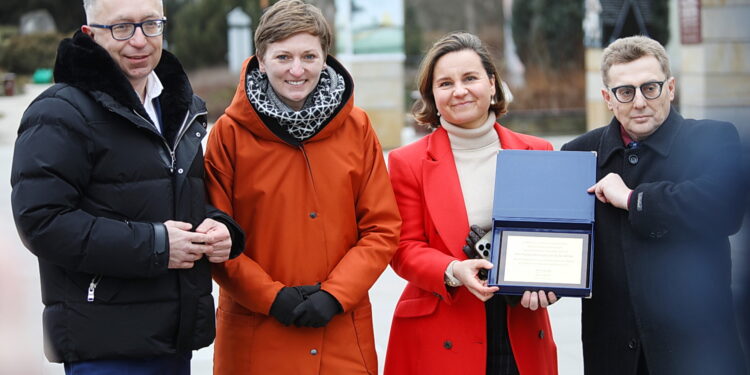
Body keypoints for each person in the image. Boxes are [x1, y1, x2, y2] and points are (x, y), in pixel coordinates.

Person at [10, 0, 245, 373]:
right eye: (122, 28)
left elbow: (184, 200)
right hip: (105, 346)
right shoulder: (58, 112)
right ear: (90, 35)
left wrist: (221, 228)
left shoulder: (179, 108)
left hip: (174, 338)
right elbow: (42, 222)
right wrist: (157, 245)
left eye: (151, 24)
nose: (140, 40)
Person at [202, 0, 401, 373]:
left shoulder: (357, 128)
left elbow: (382, 228)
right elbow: (215, 236)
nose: (297, 70)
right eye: (283, 57)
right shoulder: (228, 135)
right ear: (260, 60)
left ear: (325, 57)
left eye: (309, 56)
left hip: (341, 333)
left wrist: (336, 294)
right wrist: (271, 297)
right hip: (255, 335)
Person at [562, 35, 747, 374]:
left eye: (651, 87)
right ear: (608, 98)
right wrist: (536, 284)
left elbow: (725, 208)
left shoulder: (713, 139)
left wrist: (632, 199)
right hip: (613, 356)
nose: (640, 102)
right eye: (626, 91)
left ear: (670, 88)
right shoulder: (578, 154)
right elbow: (562, 243)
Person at [384, 32, 558, 375]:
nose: (459, 90)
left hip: (519, 321)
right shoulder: (408, 162)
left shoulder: (537, 152)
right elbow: (403, 248)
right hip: (443, 324)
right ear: (432, 95)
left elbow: (553, 239)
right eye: (445, 83)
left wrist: (551, 280)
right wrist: (452, 270)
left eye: (470, 78)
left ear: (492, 84)